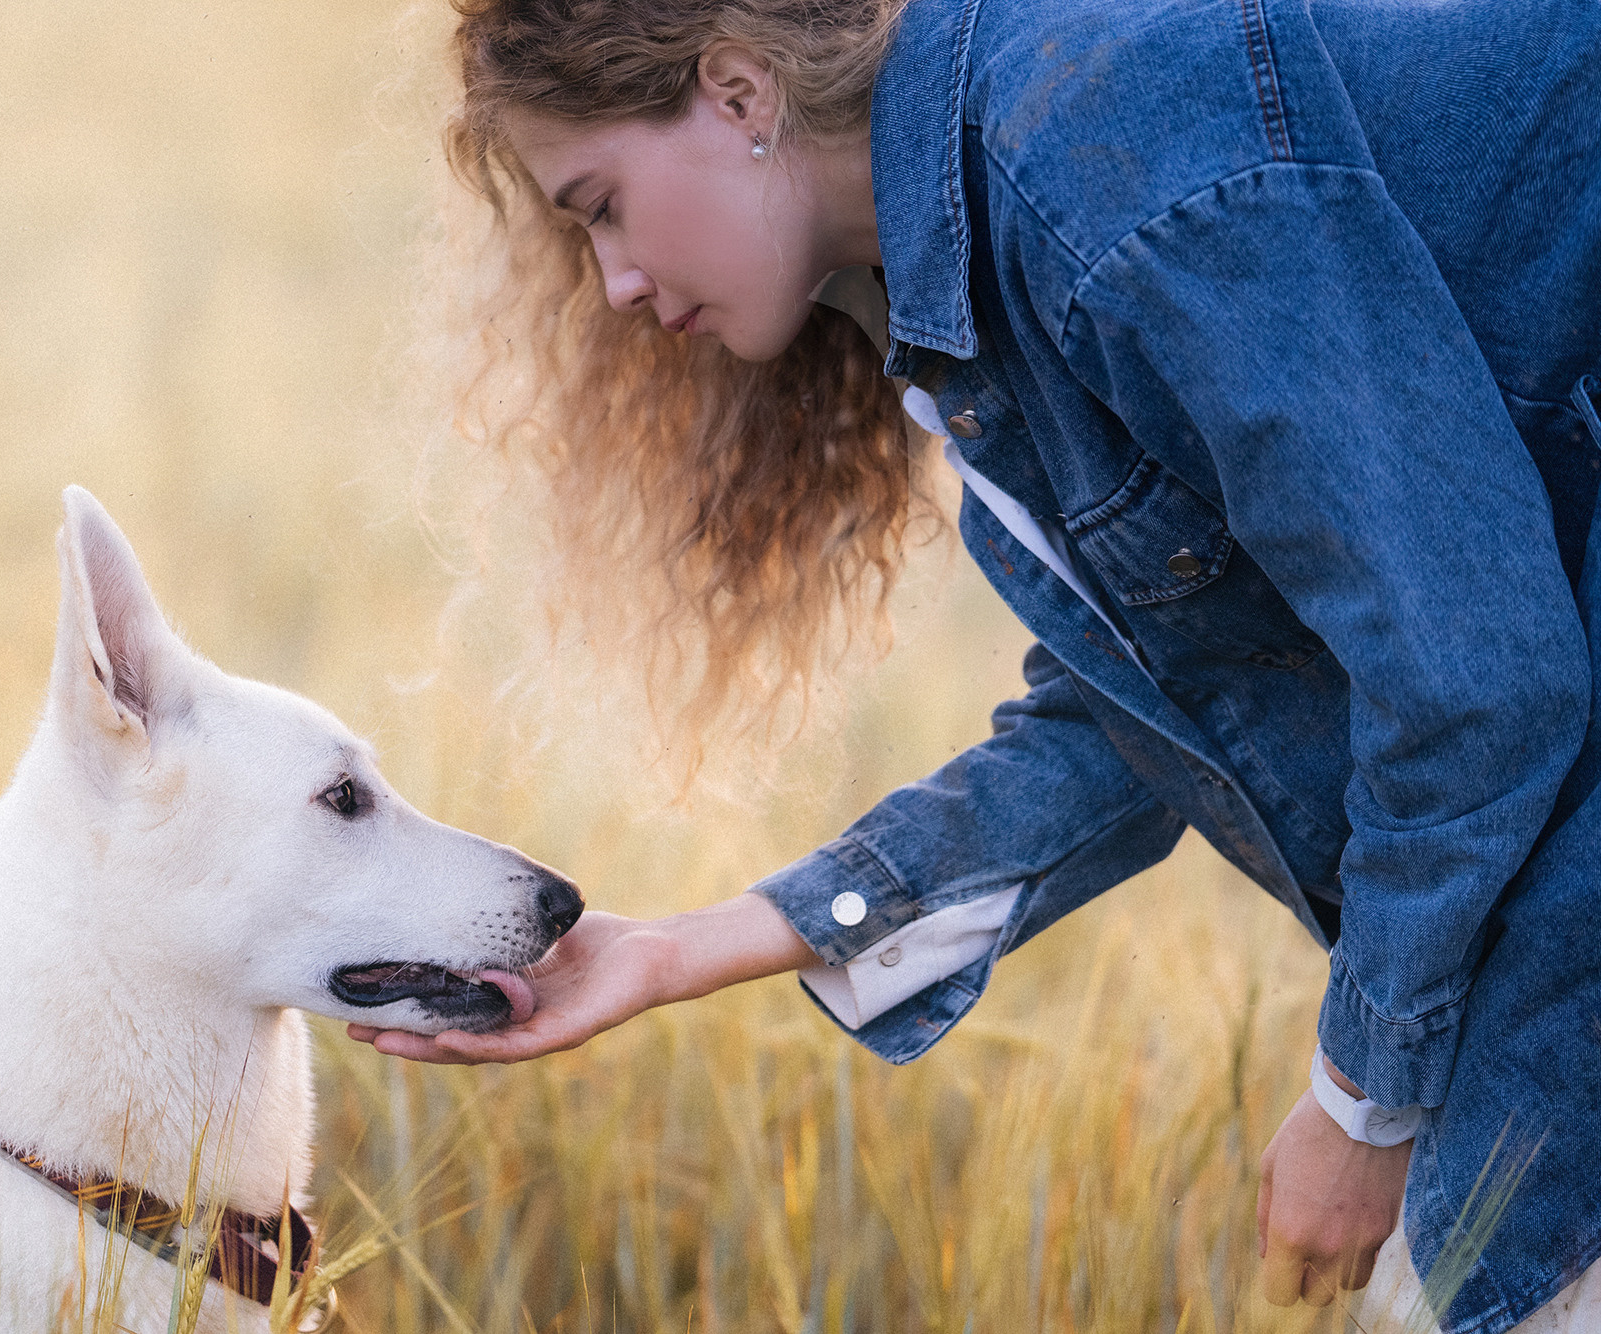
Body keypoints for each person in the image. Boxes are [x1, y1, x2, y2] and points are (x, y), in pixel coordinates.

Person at [348, 1, 1601, 1328]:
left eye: (598, 205)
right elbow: (1141, 714)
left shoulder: (1099, 165)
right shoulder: (996, 264)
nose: (613, 283)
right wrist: (679, 948)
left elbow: (1476, 683)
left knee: (1474, 1276)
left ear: (737, 94)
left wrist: (1364, 1095)